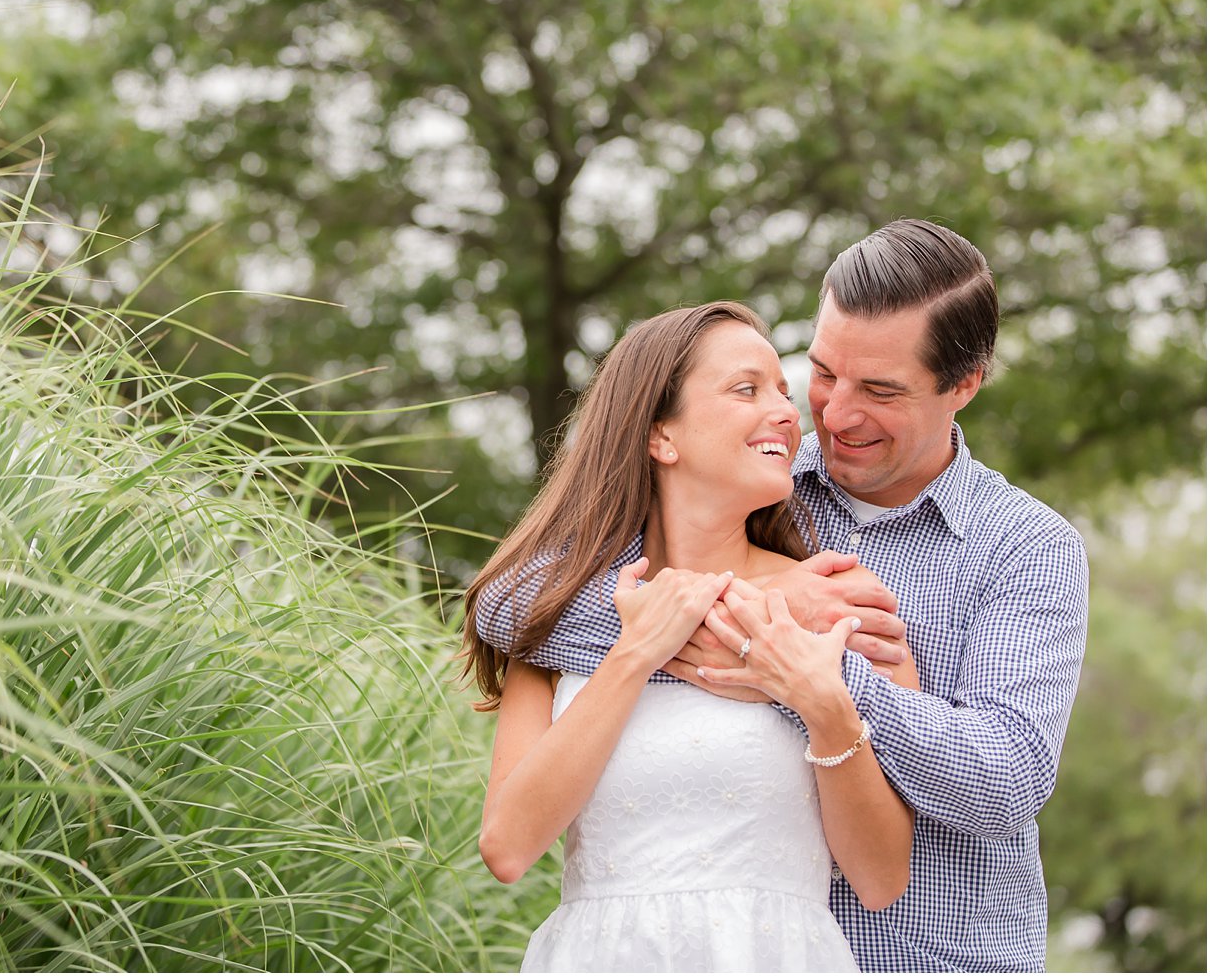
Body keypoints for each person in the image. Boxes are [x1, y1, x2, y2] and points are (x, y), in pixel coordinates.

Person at [486, 219, 1090, 972]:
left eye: (880, 390)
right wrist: (744, 618)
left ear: (962, 385)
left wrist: (804, 671)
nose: (831, 415)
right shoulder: (756, 477)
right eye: (825, 373)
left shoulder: (1026, 549)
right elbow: (513, 607)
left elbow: (1003, 780)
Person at [462, 301, 917, 973]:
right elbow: (508, 847)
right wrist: (636, 653)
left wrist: (823, 702)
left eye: (784, 394)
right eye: (746, 389)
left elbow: (881, 880)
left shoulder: (837, 604)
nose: (789, 415)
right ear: (661, 437)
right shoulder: (558, 623)